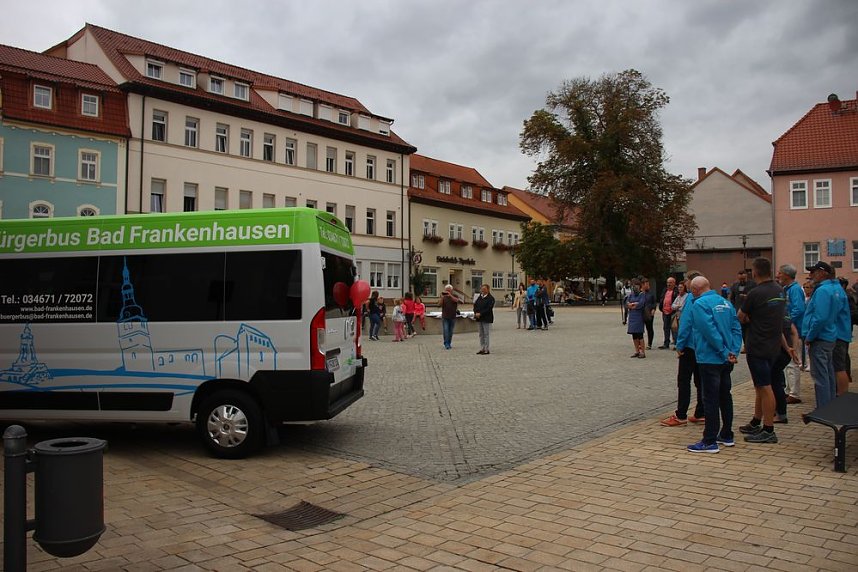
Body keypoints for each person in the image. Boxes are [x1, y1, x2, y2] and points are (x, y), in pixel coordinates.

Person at [685, 276, 742, 453]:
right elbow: (736, 328)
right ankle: (726, 433)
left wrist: (723, 351)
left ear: (695, 290)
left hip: (710, 358)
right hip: (726, 359)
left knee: (710, 398)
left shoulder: (699, 304)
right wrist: (733, 350)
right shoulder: (725, 303)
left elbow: (709, 331)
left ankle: (710, 440)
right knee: (726, 395)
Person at [737, 257, 786, 444]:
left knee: (765, 387)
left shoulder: (755, 293)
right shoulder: (779, 290)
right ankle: (756, 421)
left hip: (758, 344)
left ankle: (768, 429)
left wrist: (749, 317)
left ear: (755, 272)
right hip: (773, 344)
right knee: (760, 385)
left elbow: (740, 316)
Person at [661, 271, 705, 427]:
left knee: (684, 380)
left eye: (686, 280)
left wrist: (679, 345)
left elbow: (686, 324)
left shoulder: (692, 299)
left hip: (689, 346)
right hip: (702, 346)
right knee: (700, 381)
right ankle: (701, 411)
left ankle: (681, 414)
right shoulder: (709, 298)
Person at [802, 261, 842, 408]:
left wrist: (810, 336)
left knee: (820, 376)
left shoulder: (822, 291)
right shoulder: (834, 288)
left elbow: (820, 317)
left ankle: (824, 408)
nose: (810, 275)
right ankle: (830, 405)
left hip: (820, 337)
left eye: (813, 272)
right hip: (829, 335)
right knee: (828, 373)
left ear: (822, 273)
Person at [776, 264, 806, 404]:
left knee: (793, 360)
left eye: (780, 273)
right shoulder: (787, 289)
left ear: (787, 275)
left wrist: (787, 321)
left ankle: (794, 393)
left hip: (793, 330)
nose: (778, 276)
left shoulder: (794, 290)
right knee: (788, 362)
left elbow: (798, 309)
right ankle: (789, 390)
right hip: (788, 329)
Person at [834, 277, 854, 395]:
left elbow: (853, 313)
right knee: (841, 361)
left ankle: (842, 392)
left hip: (841, 332)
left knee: (840, 363)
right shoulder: (841, 295)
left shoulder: (845, 296)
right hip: (842, 331)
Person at [730, 269, 757, 351]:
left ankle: (751, 345)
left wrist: (747, 297)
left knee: (751, 329)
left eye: (743, 279)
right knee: (742, 330)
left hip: (750, 311)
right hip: (739, 310)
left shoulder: (753, 284)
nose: (742, 280)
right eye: (740, 279)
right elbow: (732, 298)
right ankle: (745, 345)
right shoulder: (735, 286)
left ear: (746, 277)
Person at [626, 279, 647, 358]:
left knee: (640, 335)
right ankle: (637, 351)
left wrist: (633, 305)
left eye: (636, 285)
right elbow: (627, 303)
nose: (635, 287)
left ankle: (643, 352)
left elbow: (641, 304)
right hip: (632, 317)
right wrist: (632, 304)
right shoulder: (631, 295)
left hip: (639, 317)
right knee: (634, 335)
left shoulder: (642, 294)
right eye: (633, 285)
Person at [473, 283, 495, 355]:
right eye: (482, 289)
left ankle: (486, 349)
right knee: (481, 334)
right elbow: (475, 305)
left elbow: (488, 308)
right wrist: (476, 312)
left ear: (488, 290)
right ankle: (482, 348)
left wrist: (481, 313)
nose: (483, 290)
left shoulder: (491, 298)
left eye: (484, 289)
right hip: (479, 318)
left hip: (486, 318)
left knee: (486, 334)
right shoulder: (479, 297)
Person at [658, 276, 679, 349]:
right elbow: (661, 299)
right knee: (666, 328)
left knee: (674, 328)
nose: (668, 284)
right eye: (667, 282)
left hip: (673, 312)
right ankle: (666, 343)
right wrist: (661, 307)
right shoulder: (665, 290)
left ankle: (676, 343)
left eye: (670, 282)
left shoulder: (676, 291)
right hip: (665, 311)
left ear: (674, 283)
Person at [440, 284, 458, 350]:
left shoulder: (454, 296)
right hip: (445, 316)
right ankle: (446, 343)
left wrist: (450, 295)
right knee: (446, 330)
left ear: (451, 290)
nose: (447, 292)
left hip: (452, 316)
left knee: (450, 331)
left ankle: (449, 343)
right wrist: (442, 297)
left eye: (449, 290)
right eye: (446, 290)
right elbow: (439, 304)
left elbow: (457, 300)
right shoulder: (444, 297)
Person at [641, 278, 657, 350]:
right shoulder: (640, 293)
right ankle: (640, 342)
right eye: (646, 284)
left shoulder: (651, 293)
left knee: (649, 328)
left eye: (648, 284)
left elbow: (654, 302)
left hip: (649, 313)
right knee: (640, 329)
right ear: (642, 285)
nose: (648, 286)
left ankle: (649, 343)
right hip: (641, 312)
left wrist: (653, 309)